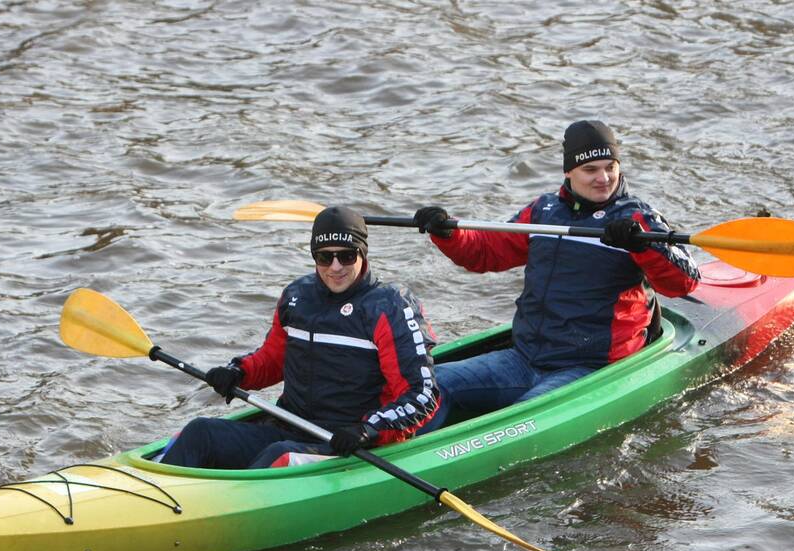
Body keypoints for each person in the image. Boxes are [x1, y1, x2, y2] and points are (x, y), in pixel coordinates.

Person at [413, 119, 700, 430]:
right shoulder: (544, 211)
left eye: (610, 167)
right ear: (569, 172)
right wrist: (447, 233)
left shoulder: (637, 219)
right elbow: (486, 253)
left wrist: (643, 245)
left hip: (589, 367)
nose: (603, 178)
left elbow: (684, 281)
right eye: (591, 170)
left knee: (519, 420)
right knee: (429, 386)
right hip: (524, 358)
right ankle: (395, 452)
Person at [161, 206, 439, 469]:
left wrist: (370, 429)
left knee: (279, 456)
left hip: (349, 442)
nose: (335, 267)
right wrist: (238, 372)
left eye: (346, 256)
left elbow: (422, 394)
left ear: (362, 254)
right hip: (289, 425)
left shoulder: (390, 307)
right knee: (200, 431)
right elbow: (273, 359)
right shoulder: (297, 296)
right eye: (324, 257)